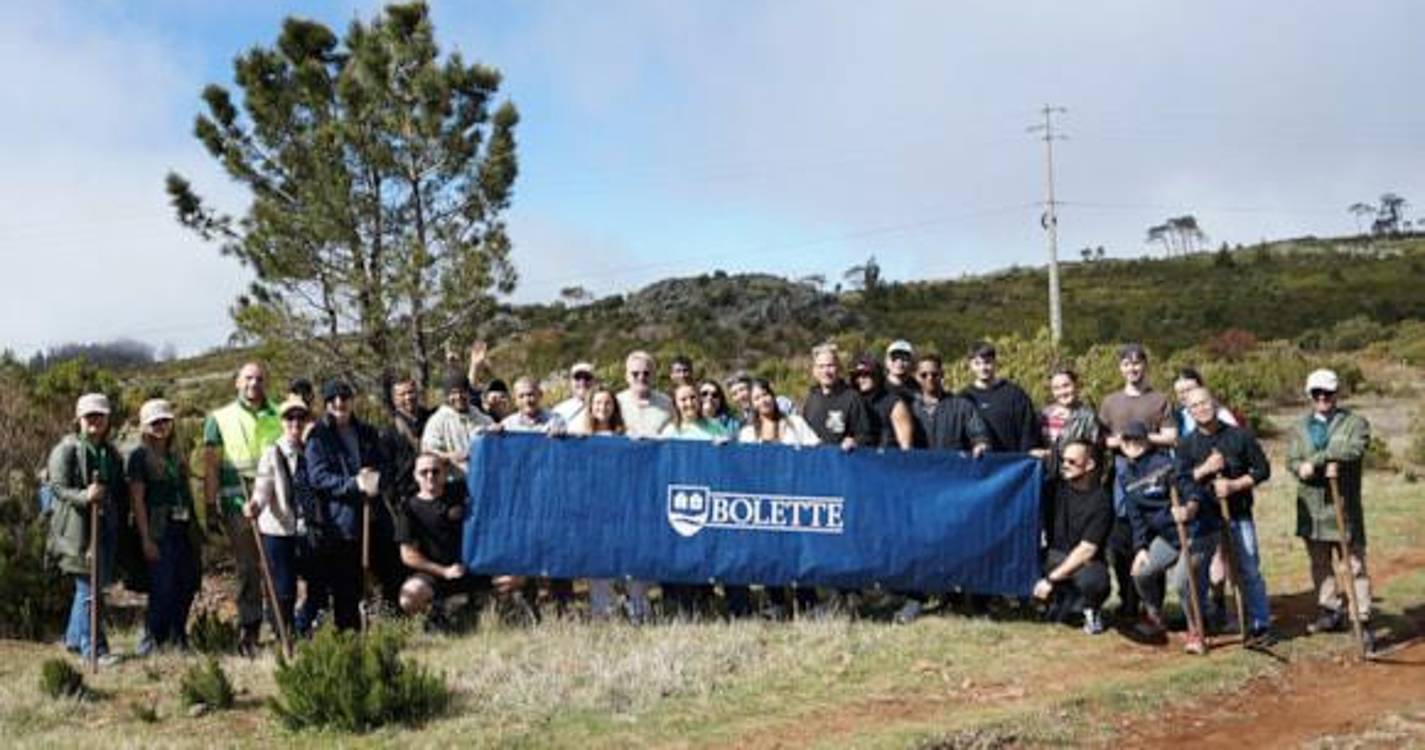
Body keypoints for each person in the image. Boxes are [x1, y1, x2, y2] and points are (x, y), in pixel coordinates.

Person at [1178, 385, 1276, 648]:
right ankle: (1198, 626)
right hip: (1205, 519)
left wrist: (1234, 485)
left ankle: (1260, 624)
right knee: (1199, 573)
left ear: (1215, 403)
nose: (1201, 409)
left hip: (1238, 513)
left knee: (1248, 568)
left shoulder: (1239, 436)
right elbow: (1181, 479)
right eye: (1194, 406)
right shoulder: (1186, 445)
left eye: (1204, 403)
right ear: (1188, 411)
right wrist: (1206, 469)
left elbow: (1262, 470)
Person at [1286, 369, 1374, 650]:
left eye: (1327, 393)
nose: (1322, 398)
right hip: (1312, 509)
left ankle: (1362, 618)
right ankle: (1330, 610)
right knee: (1320, 564)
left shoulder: (1355, 423)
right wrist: (1300, 467)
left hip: (1343, 507)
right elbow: (1291, 460)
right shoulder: (1299, 428)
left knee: (1354, 566)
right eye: (1316, 393)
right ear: (1310, 396)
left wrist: (1318, 460)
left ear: (1337, 394)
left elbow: (1353, 450)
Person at [203, 361, 281, 654]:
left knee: (276, 565)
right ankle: (249, 628)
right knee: (248, 568)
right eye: (248, 378)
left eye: (260, 378)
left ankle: (281, 622)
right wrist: (210, 506)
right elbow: (210, 467)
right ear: (237, 382)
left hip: (276, 503)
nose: (254, 384)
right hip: (239, 502)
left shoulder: (280, 413)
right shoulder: (220, 418)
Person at [1097, 344, 1176, 622]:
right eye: (1126, 364)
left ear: (1145, 365)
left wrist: (1139, 438)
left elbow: (1170, 436)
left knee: (1153, 532)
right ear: (1120, 368)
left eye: (1137, 363)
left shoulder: (1159, 399)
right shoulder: (1110, 402)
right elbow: (1103, 439)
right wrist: (1122, 442)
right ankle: (1127, 601)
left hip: (1154, 471)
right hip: (1121, 470)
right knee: (1122, 536)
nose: (1132, 369)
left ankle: (1154, 606)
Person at [1121, 420, 1216, 651]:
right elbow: (1136, 517)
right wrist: (1141, 547)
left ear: (1147, 441)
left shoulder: (1168, 465)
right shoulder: (1127, 477)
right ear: (1122, 444)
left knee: (1183, 581)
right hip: (1170, 536)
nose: (1133, 444)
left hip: (1198, 530)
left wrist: (1188, 509)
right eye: (1127, 440)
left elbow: (1194, 491)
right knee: (1141, 573)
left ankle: (1196, 630)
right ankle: (1154, 617)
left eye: (1138, 439)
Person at [47, 393, 126, 664]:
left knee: (91, 585)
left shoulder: (111, 452)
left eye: (100, 415)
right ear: (78, 419)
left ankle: (72, 640)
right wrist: (85, 496)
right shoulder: (66, 449)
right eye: (89, 416)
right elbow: (57, 488)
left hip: (106, 527)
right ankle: (94, 649)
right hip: (77, 531)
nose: (95, 420)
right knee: (88, 587)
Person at [303, 379, 388, 631]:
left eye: (344, 397)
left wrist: (374, 478)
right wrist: (353, 484)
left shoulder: (367, 432)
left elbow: (382, 465)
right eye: (333, 399)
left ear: (352, 400)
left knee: (379, 574)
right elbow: (318, 477)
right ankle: (349, 635)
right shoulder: (318, 436)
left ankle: (382, 630)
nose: (339, 403)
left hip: (373, 515)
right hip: (340, 521)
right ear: (327, 404)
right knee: (346, 582)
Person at [571, 386, 653, 622]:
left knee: (632, 557)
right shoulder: (581, 436)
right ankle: (603, 611)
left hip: (624, 507)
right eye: (597, 403)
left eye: (607, 403)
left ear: (615, 408)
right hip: (594, 508)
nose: (602, 408)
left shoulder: (626, 435)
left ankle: (639, 609)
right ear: (590, 407)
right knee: (598, 561)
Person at [128, 399, 200, 654]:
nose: (160, 426)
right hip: (158, 530)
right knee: (162, 586)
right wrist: (146, 538)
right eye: (154, 422)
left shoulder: (176, 455)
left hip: (182, 528)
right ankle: (151, 641)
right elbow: (137, 500)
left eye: (165, 421)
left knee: (187, 581)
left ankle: (177, 634)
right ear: (145, 426)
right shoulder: (139, 457)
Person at [660, 383, 734, 616]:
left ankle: (706, 599)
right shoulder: (671, 430)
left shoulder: (714, 426)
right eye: (683, 399)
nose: (689, 403)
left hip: (710, 496)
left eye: (692, 398)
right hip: (681, 498)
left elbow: (732, 458)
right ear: (676, 404)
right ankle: (684, 604)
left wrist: (726, 446)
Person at [395, 453, 491, 629]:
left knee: (513, 578)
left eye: (435, 471)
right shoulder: (409, 508)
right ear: (415, 476)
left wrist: (495, 437)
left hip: (473, 567)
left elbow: (490, 477)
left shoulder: (461, 490)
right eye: (424, 472)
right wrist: (444, 571)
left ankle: (486, 608)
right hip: (435, 574)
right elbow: (407, 555)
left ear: (445, 473)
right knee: (408, 598)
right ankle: (439, 614)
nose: (430, 476)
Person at [245, 395, 312, 641]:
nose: (295, 423)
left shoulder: (309, 451)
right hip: (278, 529)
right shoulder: (272, 453)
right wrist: (255, 504)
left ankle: (300, 627)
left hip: (306, 529)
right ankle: (284, 634)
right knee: (283, 588)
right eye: (289, 418)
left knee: (314, 582)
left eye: (300, 418)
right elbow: (263, 486)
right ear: (282, 422)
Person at [1034, 440, 1112, 635]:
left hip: (1083, 562)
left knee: (1095, 581)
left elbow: (1087, 550)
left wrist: (1051, 580)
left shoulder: (1102, 501)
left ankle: (1090, 609)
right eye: (1062, 460)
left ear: (1090, 465)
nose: (1065, 465)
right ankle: (1061, 600)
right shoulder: (1053, 488)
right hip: (1052, 555)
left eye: (1071, 461)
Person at [961, 342, 1040, 453]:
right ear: (970, 365)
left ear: (995, 362)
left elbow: (1028, 432)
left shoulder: (1015, 395)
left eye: (987, 362)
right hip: (978, 466)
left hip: (1010, 466)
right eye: (977, 363)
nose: (983, 368)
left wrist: (1025, 459)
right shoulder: (964, 398)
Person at [422, 369, 494, 481]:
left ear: (468, 392)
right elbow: (428, 452)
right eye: (453, 393)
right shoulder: (437, 421)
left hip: (483, 482)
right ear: (446, 395)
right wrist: (450, 457)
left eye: (462, 391)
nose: (459, 396)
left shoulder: (482, 418)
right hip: (453, 486)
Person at [911, 354, 989, 455]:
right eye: (924, 375)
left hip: (953, 468)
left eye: (934, 374)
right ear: (916, 377)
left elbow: (979, 434)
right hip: (921, 468)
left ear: (942, 374)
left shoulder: (962, 407)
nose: (929, 378)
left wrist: (981, 445)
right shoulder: (910, 409)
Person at [802, 343, 873, 450]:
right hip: (814, 463)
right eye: (821, 366)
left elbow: (867, 435)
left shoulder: (852, 398)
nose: (826, 371)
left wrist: (854, 441)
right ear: (814, 371)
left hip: (841, 463)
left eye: (830, 366)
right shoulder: (812, 397)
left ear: (839, 368)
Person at [851, 356, 914, 450]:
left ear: (878, 375)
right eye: (857, 375)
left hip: (887, 460)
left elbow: (906, 447)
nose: (861, 378)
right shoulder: (852, 401)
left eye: (867, 374)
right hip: (858, 459)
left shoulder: (895, 404)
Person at [737, 379, 819, 447]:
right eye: (757, 398)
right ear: (752, 404)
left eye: (765, 394)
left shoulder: (796, 423)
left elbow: (816, 448)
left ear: (773, 396)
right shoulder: (748, 434)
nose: (763, 401)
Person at [618, 351, 674, 437]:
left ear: (653, 376)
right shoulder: (617, 402)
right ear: (627, 377)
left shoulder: (667, 403)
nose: (641, 377)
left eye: (646, 373)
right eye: (635, 374)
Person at [1172, 367, 1238, 437]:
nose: (1186, 395)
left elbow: (1235, 438)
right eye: (1181, 392)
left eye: (1189, 390)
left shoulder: (1220, 413)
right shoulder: (1178, 415)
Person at [498, 377, 567, 434]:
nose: (526, 400)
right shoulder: (508, 425)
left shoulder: (555, 420)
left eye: (530, 395)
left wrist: (560, 436)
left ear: (540, 395)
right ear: (515, 400)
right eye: (521, 396)